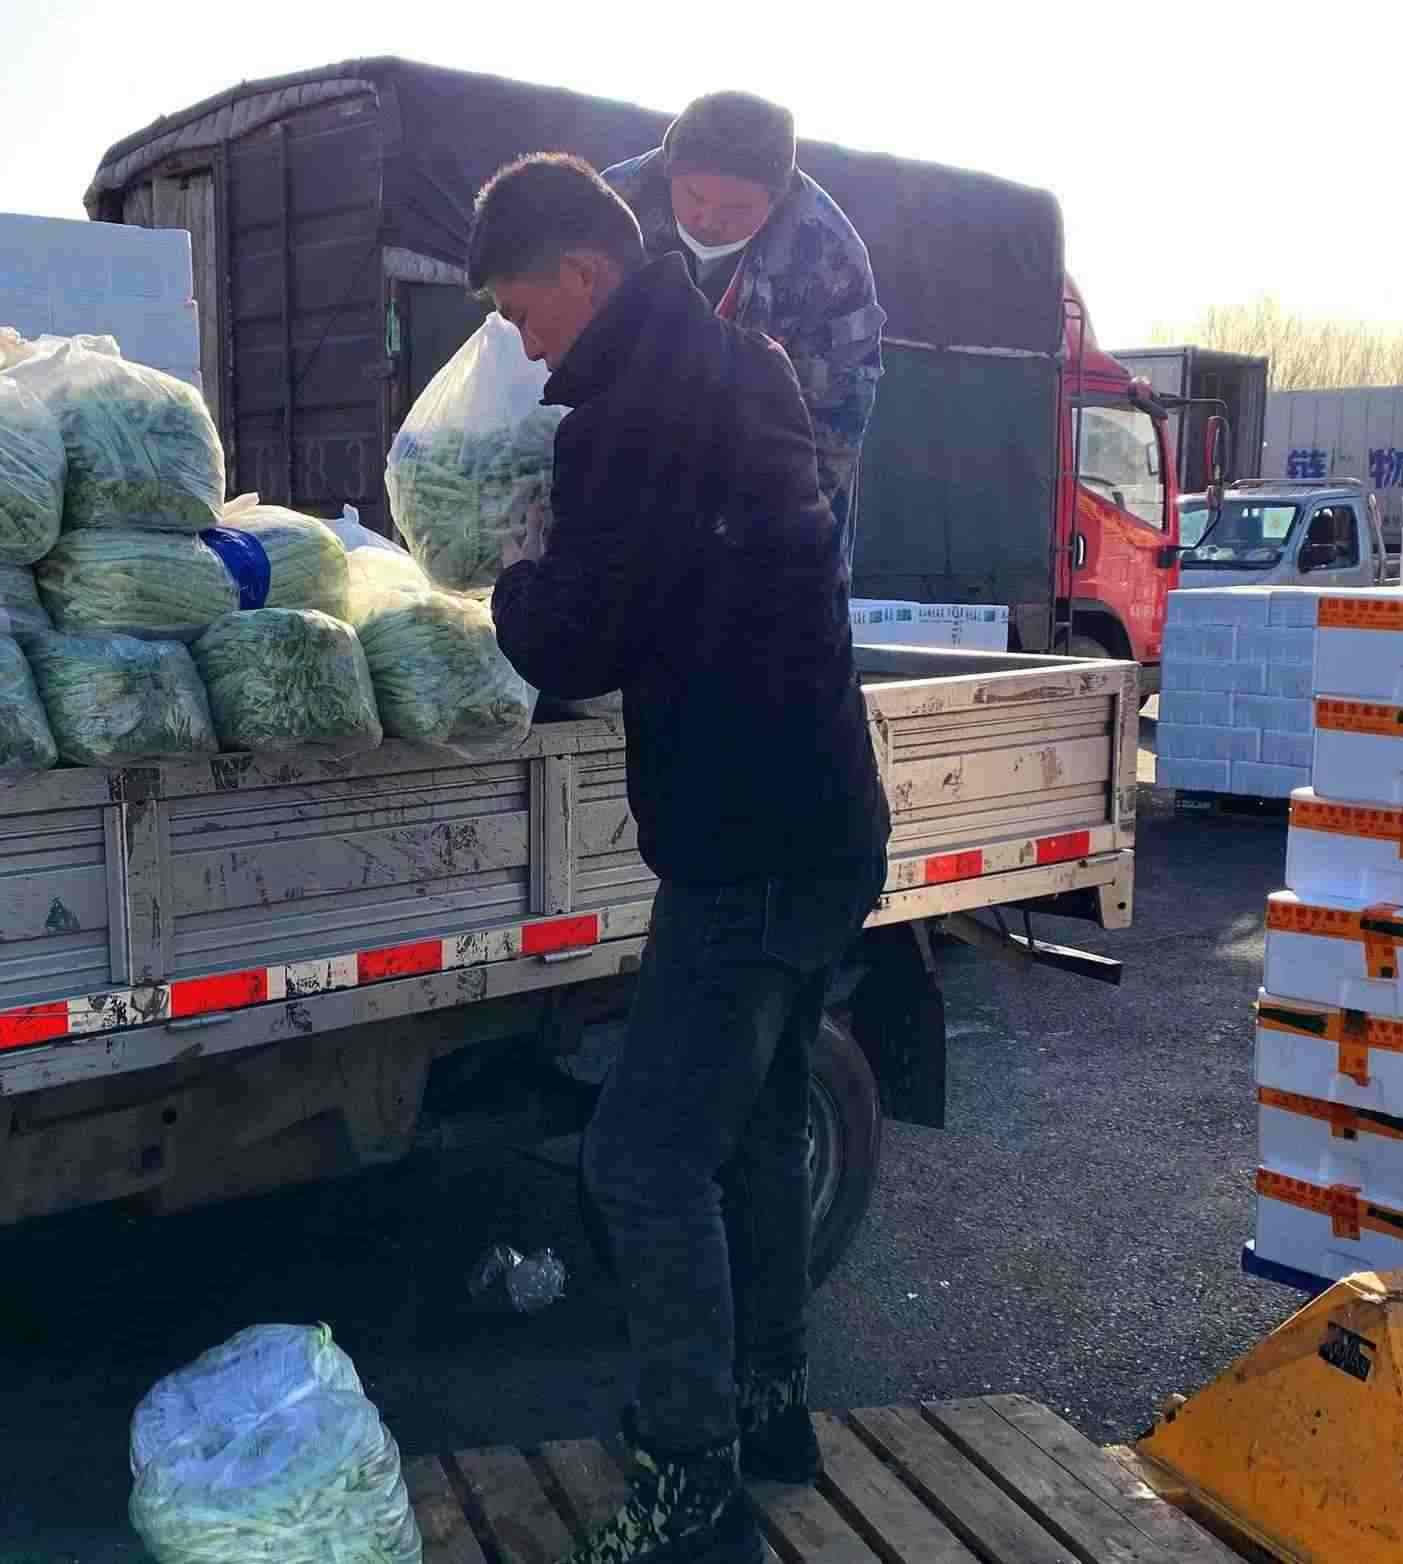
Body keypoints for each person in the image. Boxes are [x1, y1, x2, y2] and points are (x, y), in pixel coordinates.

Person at [471, 153, 890, 1564]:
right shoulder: (740, 364)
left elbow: (577, 639)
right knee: (757, 1130)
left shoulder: (628, 419)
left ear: (581, 273)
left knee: (642, 1165)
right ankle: (769, 1410)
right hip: (823, 822)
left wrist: (502, 576)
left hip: (744, 844)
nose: (526, 346)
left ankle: (689, 1480)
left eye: (522, 312)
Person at [600, 93, 884, 581]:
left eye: (737, 208)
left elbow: (832, 424)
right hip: (615, 461)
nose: (710, 220)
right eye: (694, 197)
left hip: (761, 479)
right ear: (669, 170)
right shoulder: (611, 207)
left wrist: (751, 527)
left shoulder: (830, 257)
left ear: (777, 198)